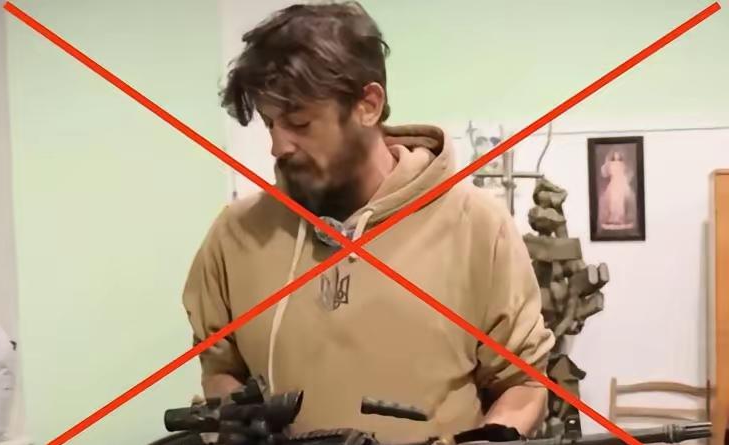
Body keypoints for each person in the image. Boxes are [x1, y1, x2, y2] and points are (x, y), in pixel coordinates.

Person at [181, 2, 554, 443]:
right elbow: (220, 370)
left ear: (368, 105)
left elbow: (524, 385)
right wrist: (233, 422)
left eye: (299, 122)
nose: (278, 147)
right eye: (270, 124)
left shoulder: (477, 226)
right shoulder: (235, 234)